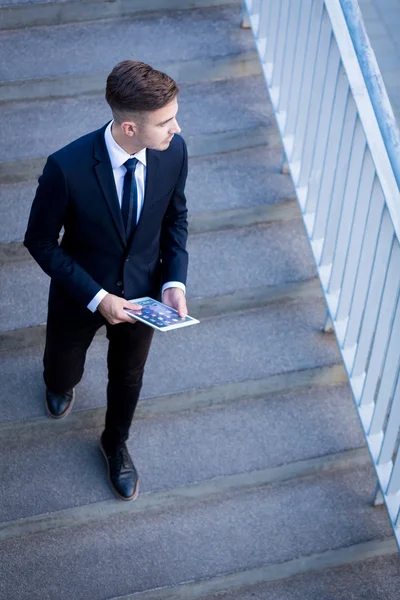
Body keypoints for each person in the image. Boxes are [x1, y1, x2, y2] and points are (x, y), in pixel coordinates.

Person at [24, 60, 189, 502]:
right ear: (130, 127)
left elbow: (176, 220)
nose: (176, 128)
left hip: (142, 294)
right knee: (62, 370)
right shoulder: (66, 167)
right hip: (80, 294)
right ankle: (58, 385)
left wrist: (175, 281)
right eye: (166, 121)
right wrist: (97, 297)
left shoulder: (173, 151)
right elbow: (39, 241)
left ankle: (115, 444)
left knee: (129, 376)